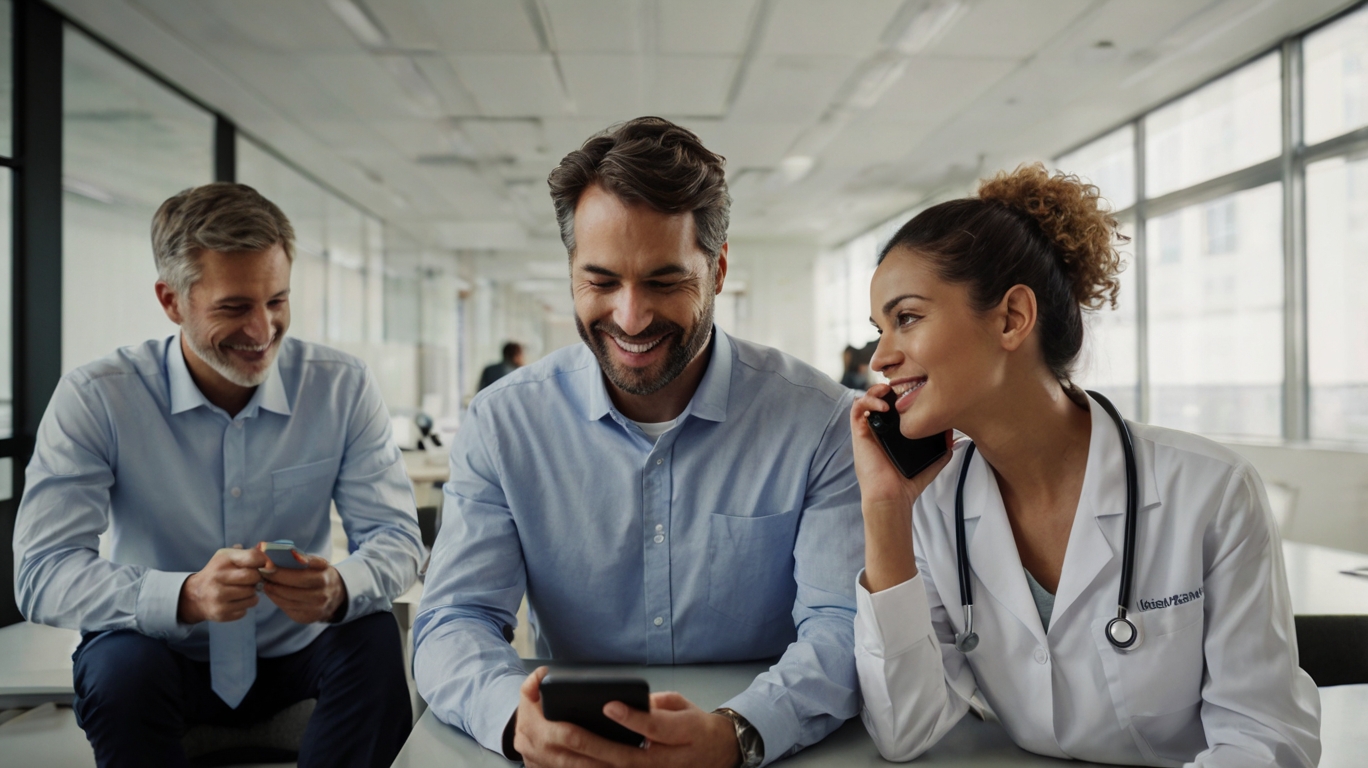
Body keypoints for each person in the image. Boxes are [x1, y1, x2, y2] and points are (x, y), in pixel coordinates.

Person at [414, 117, 863, 767]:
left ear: (718, 267)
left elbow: (842, 625)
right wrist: (513, 718)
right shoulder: (503, 424)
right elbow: (452, 620)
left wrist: (738, 732)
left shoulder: (817, 421)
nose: (630, 318)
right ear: (571, 271)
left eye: (662, 281)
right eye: (601, 281)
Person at [849, 164, 1320, 766]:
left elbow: (1265, 739)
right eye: (879, 329)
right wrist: (885, 511)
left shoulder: (1210, 491)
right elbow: (905, 729)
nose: (881, 357)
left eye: (906, 318)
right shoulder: (933, 506)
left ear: (1013, 318)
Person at [13, 182, 424, 767]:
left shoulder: (340, 385)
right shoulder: (97, 397)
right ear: (171, 301)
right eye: (233, 307)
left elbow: (398, 540)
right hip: (161, 653)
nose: (262, 331)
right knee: (119, 667)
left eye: (277, 301)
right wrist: (181, 595)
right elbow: (42, 573)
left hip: (298, 649)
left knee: (374, 635)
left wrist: (339, 586)